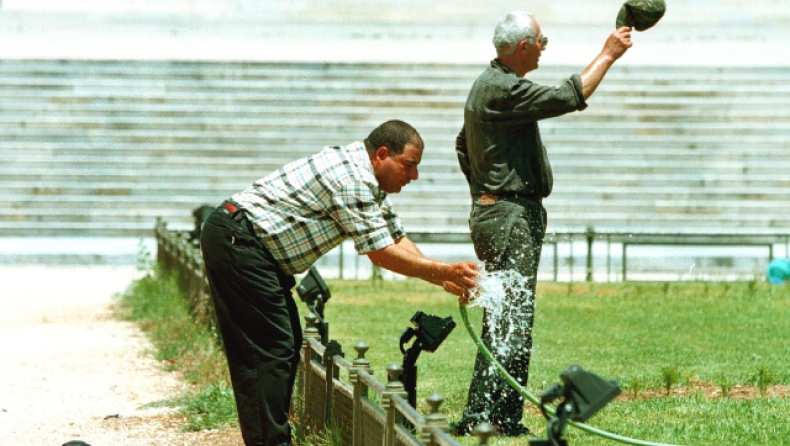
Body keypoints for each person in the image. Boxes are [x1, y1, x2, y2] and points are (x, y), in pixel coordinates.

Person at [199, 119, 479, 446]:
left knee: (282, 346)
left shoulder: (365, 177)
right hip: (240, 242)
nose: (413, 176)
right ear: (382, 154)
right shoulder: (353, 179)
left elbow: (395, 237)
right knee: (272, 349)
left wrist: (442, 278)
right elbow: (380, 252)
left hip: (246, 246)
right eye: (409, 166)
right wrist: (444, 272)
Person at [454, 11, 633, 437]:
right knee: (513, 316)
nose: (545, 47)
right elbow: (567, 96)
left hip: (498, 211)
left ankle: (486, 411)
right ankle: (496, 418)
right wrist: (608, 54)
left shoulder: (490, 85)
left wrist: (483, 193)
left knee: (502, 314)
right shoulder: (501, 88)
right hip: (510, 216)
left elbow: (462, 146)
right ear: (522, 47)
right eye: (541, 40)